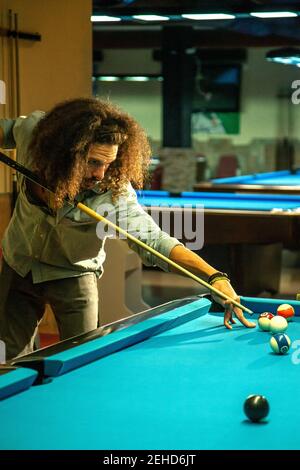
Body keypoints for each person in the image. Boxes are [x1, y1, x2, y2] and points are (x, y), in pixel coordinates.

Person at [0, 98, 255, 360]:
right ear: (62, 153)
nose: (100, 174)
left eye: (107, 164)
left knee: (83, 358)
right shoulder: (35, 134)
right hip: (19, 262)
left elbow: (155, 242)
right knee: (8, 357)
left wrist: (214, 277)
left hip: (74, 273)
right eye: (92, 162)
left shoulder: (114, 194)